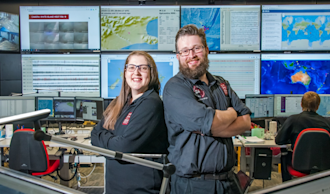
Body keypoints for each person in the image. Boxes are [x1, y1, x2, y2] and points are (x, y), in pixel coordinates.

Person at [163, 24, 252, 194]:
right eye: (185, 51)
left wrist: (208, 127)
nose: (192, 55)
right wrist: (231, 113)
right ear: (178, 56)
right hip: (193, 185)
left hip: (228, 182)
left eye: (196, 48)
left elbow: (246, 121)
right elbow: (210, 123)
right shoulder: (175, 88)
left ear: (206, 50)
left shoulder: (221, 84)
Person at [91, 51, 168, 194]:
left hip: (140, 189)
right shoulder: (119, 103)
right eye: (131, 67)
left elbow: (124, 146)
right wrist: (113, 144)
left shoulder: (151, 104)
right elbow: (94, 134)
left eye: (143, 68)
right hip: (115, 187)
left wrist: (107, 142)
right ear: (125, 72)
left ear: (152, 73)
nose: (136, 72)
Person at [275, 91, 330, 181]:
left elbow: (279, 141)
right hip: (324, 166)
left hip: (299, 165)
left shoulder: (293, 120)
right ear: (317, 106)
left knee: (284, 154)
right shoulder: (326, 122)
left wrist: (293, 140)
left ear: (301, 104)